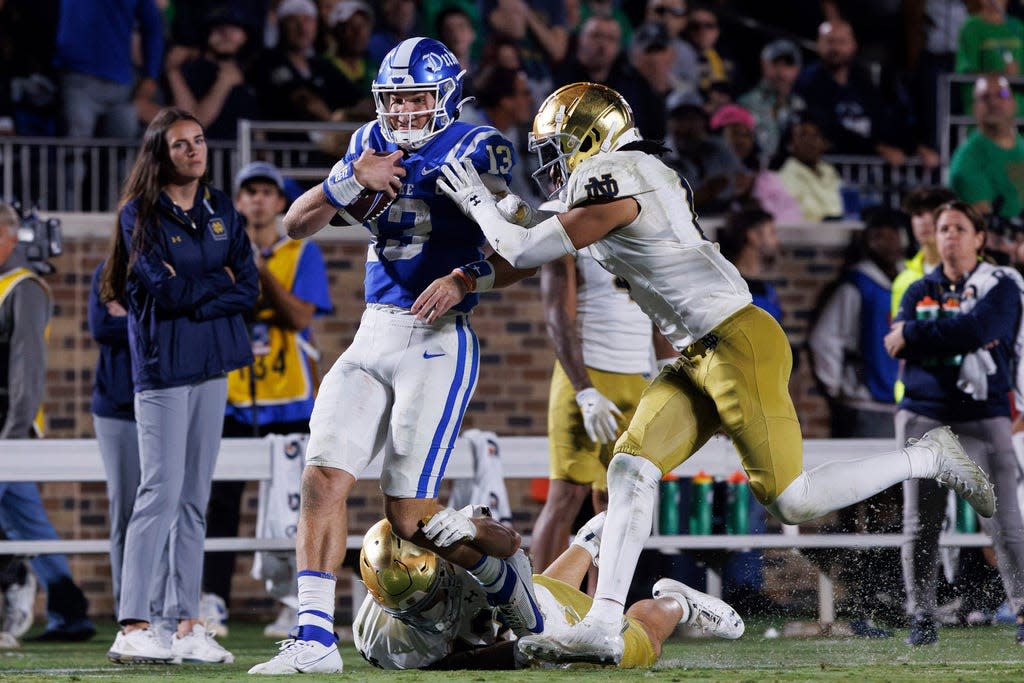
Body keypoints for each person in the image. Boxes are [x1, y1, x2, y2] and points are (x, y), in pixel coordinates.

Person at [432, 81, 996, 665]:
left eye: (559, 146)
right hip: (696, 352)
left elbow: (524, 251)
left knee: (793, 502)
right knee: (630, 467)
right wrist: (471, 273)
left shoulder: (624, 173)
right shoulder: (619, 181)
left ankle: (929, 456)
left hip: (738, 341)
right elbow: (530, 251)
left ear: (594, 139)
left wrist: (479, 201)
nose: (551, 164)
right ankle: (602, 621)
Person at [248, 37, 545, 676]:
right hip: (371, 332)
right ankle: (315, 638)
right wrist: (350, 176)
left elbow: (523, 249)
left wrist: (466, 277)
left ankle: (503, 561)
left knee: (408, 520)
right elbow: (294, 226)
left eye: (416, 97)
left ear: (443, 97)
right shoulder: (367, 143)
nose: (405, 110)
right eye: (395, 98)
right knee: (322, 476)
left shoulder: (478, 146)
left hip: (437, 340)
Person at [100, 107, 258, 664]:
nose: (195, 150)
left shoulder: (222, 210)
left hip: (212, 366)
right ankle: (134, 622)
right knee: (159, 494)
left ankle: (185, 625)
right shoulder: (138, 215)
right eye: (181, 144)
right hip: (163, 370)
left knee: (194, 500)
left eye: (199, 141)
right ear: (160, 155)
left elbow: (250, 288)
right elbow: (163, 294)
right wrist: (220, 282)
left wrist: (200, 286)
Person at [200, 160, 332, 639]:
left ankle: (292, 602)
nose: (257, 200)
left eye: (266, 192)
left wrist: (260, 272)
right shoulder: (219, 253)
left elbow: (300, 317)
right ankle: (211, 598)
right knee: (221, 502)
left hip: (290, 396)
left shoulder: (302, 253)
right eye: (248, 192)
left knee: (292, 504)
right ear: (237, 202)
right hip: (234, 391)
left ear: (281, 202)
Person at [884, 200, 1024, 646]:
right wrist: (952, 330)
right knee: (921, 521)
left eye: (960, 228)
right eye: (944, 228)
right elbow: (894, 345)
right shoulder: (917, 287)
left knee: (1004, 521)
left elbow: (980, 330)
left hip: (983, 413)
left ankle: (1023, 612)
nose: (950, 236)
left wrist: (920, 336)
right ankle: (921, 615)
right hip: (924, 412)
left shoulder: (999, 282)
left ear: (980, 238)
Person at [354, 511, 743, 670]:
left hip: (527, 607)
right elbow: (442, 667)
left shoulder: (453, 542)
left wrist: (472, 529)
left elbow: (511, 552)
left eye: (434, 598)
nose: (431, 612)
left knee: (632, 648)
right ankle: (587, 543)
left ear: (442, 567)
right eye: (417, 609)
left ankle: (677, 603)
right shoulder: (378, 639)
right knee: (543, 599)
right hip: (507, 608)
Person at [529, 245, 674, 585]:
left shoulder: (640, 231)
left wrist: (673, 374)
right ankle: (540, 606)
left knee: (618, 503)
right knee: (566, 496)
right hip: (586, 374)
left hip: (638, 378)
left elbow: (661, 314)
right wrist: (584, 390)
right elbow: (557, 317)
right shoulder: (567, 233)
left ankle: (600, 610)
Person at [806, 208, 909, 637]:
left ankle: (889, 589)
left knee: (900, 501)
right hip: (865, 405)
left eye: (894, 235)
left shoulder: (908, 281)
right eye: (879, 235)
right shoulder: (857, 286)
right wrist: (839, 390)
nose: (888, 243)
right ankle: (860, 593)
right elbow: (825, 340)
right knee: (856, 500)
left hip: (900, 405)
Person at [0, 202, 95, 643]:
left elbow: (27, 367)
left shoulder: (24, 288)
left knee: (21, 523)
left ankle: (14, 584)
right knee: (27, 522)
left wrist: (14, 436)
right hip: (8, 429)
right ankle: (69, 609)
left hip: (8, 428)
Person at [53, 0, 164, 138]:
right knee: (74, 149)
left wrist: (151, 74)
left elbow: (153, 27)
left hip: (121, 85)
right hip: (76, 76)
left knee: (122, 149)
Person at [948, 75, 1024, 219]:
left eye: (1002, 94)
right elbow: (986, 229)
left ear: (1015, 103)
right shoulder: (967, 161)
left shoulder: (1021, 146)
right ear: (974, 108)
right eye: (984, 97)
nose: (994, 102)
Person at [737, 39, 806, 166]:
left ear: (797, 69)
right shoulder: (746, 104)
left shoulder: (800, 106)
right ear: (764, 65)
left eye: (788, 64)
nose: (781, 71)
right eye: (775, 64)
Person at [775, 111, 844, 222]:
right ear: (790, 144)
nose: (810, 142)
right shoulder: (784, 176)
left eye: (815, 136)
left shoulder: (829, 170)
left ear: (824, 143)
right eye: (803, 135)